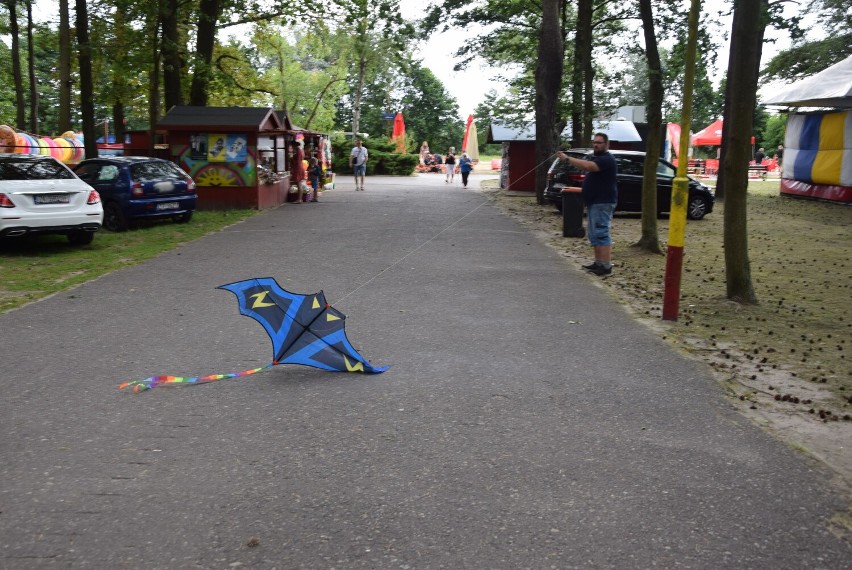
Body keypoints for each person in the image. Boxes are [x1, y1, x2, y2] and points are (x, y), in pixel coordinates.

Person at [556, 133, 617, 276]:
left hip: (603, 202)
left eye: (600, 143)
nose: (596, 145)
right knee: (594, 234)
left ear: (607, 145)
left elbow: (589, 166)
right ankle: (599, 263)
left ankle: (606, 267)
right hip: (594, 201)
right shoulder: (598, 158)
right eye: (594, 142)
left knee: (601, 233)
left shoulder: (607, 160)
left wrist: (567, 158)